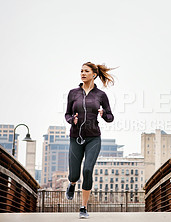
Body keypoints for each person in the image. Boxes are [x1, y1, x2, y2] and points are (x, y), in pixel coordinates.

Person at [64, 62, 115, 218]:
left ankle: (83, 207)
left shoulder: (101, 95)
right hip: (75, 138)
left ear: (94, 74)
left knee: (87, 170)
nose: (82, 73)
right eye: (81, 71)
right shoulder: (73, 93)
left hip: (93, 138)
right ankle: (71, 185)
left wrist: (103, 113)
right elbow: (66, 114)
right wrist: (72, 119)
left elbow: (110, 117)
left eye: (86, 71)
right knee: (74, 174)